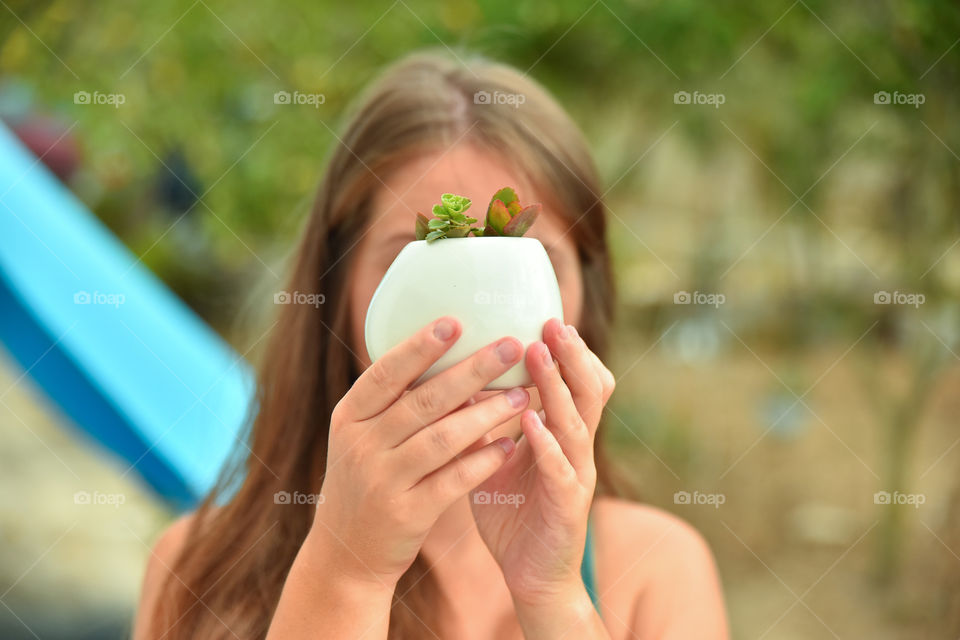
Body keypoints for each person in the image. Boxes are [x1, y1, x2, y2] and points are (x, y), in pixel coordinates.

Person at [132, 50, 728, 639]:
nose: (473, 326)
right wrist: (349, 571)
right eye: (419, 262)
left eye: (523, 263)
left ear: (581, 302)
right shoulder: (202, 572)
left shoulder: (657, 568)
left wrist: (552, 597)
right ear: (336, 292)